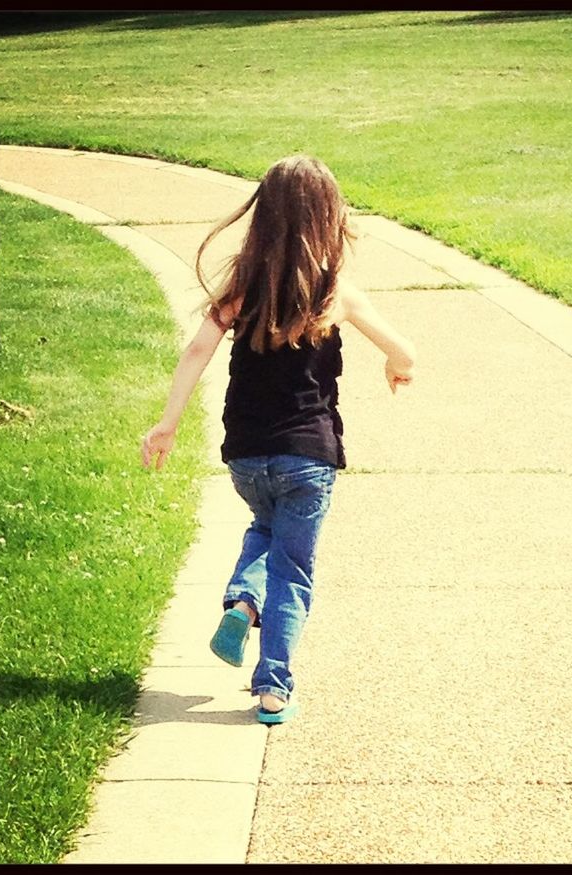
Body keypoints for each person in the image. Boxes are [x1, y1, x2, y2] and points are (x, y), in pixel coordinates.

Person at [141, 155, 415, 724]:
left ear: (262, 215)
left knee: (264, 528)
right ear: (328, 217)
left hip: (246, 453)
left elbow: (196, 352)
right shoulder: (336, 289)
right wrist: (396, 367)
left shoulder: (241, 285)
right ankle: (272, 688)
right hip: (308, 456)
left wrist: (167, 424)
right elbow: (404, 351)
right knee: (293, 570)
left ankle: (242, 601)